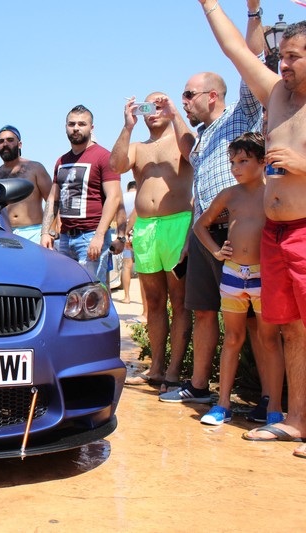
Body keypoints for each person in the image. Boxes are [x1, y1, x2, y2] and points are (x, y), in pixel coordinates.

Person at [196, 0, 306, 458]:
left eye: (294, 56)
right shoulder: (278, 94)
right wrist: (211, 5)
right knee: (291, 331)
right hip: (273, 236)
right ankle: (297, 421)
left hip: (303, 228)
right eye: (283, 56)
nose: (284, 63)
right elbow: (235, 50)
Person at [158, 0, 265, 406]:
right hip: (205, 233)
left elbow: (251, 58)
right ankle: (200, 389)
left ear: (213, 94)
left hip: (239, 230)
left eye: (189, 94)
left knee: (253, 319)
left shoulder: (242, 114)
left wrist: (252, 12)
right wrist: (174, 115)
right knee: (205, 311)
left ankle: (262, 398)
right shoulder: (203, 136)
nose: (184, 99)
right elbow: (190, 151)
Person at [192, 132, 284, 426]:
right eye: (233, 161)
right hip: (232, 275)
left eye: (243, 161)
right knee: (232, 338)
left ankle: (274, 408)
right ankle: (222, 404)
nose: (236, 167)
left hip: (264, 276)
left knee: (269, 339)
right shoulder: (229, 195)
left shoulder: (273, 191)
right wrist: (217, 251)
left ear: (262, 161)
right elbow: (200, 225)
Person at [110, 94, 194, 393]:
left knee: (180, 301)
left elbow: (194, 151)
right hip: (146, 229)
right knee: (155, 302)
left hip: (177, 223)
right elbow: (116, 165)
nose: (154, 112)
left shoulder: (180, 139)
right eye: (148, 108)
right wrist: (127, 126)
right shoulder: (137, 146)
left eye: (160, 107)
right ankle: (156, 367)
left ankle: (174, 370)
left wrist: (176, 114)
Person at [41, 106, 125, 286]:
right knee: (66, 290)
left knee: (92, 292)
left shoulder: (103, 157)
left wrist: (99, 236)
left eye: (81, 124)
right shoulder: (61, 161)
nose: (76, 128)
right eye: (71, 124)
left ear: (91, 128)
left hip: (91, 236)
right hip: (65, 238)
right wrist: (45, 232)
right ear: (65, 127)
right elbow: (53, 199)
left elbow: (114, 197)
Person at [0, 125, 53, 244]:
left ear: (19, 144)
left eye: (10, 140)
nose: (5, 144)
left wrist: (49, 232)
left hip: (34, 233)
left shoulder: (35, 168)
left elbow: (53, 201)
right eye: (1, 141)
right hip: (5, 233)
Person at [120, 181, 137, 305]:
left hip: (126, 232)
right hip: (140, 231)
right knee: (143, 268)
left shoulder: (123, 197)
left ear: (128, 188)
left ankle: (127, 296)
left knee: (126, 266)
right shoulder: (140, 195)